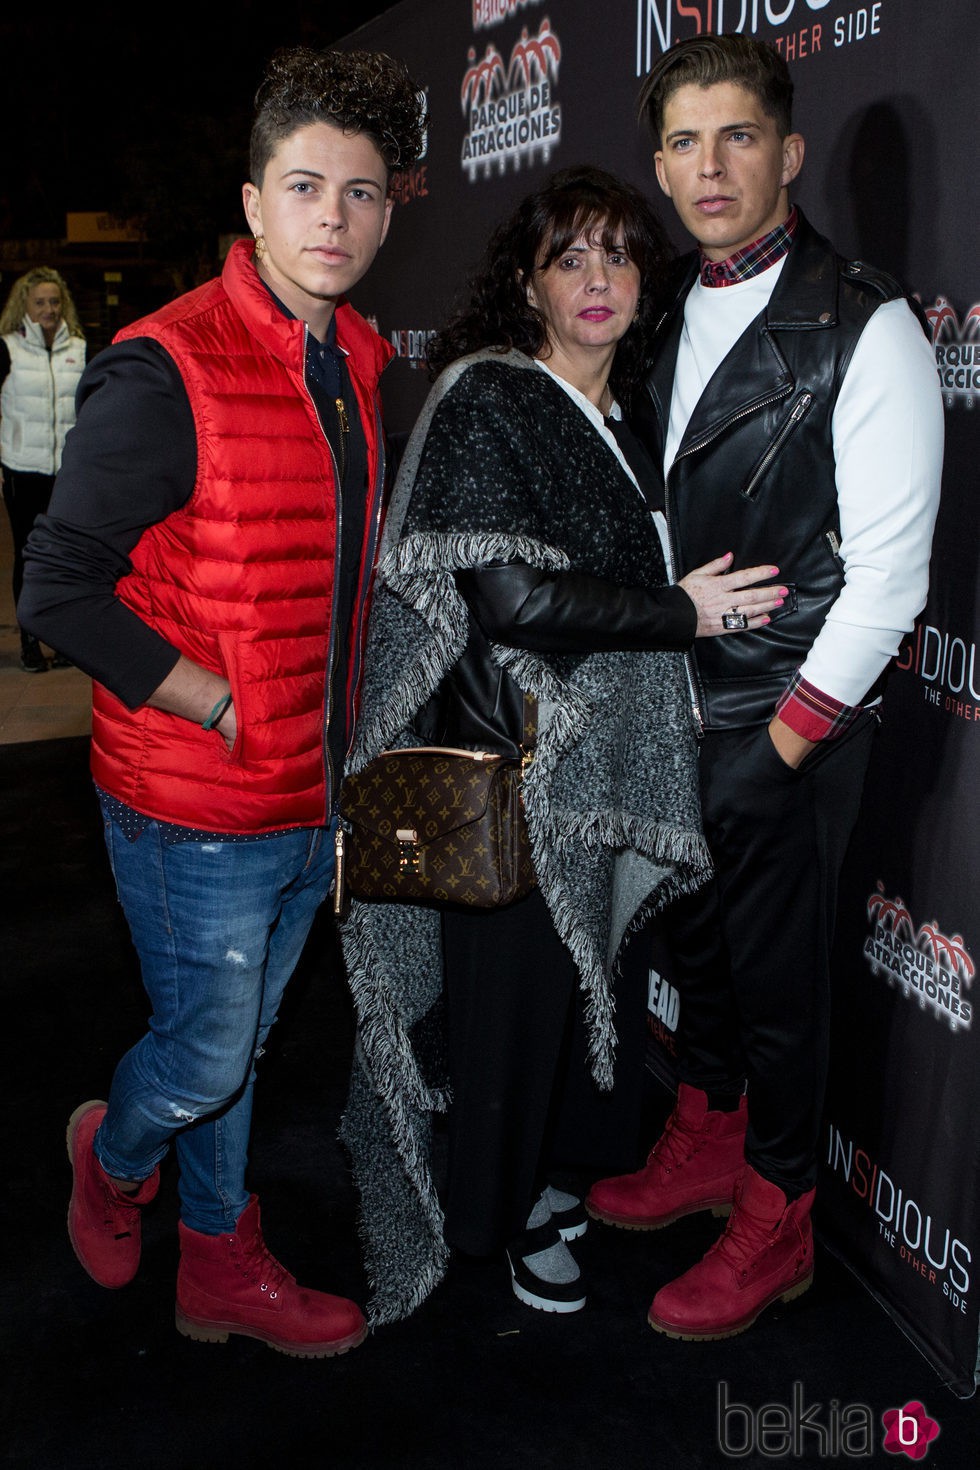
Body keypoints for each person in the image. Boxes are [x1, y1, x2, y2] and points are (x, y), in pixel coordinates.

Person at [18, 45, 426, 1358]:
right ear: (251, 202)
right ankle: (109, 1146)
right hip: (192, 800)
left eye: (362, 194)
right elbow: (58, 587)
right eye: (304, 186)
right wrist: (206, 694)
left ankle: (218, 1264)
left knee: (242, 1050)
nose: (334, 219)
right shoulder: (166, 364)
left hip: (313, 797)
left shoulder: (359, 357)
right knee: (201, 1058)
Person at [336, 164, 785, 1325]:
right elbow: (511, 601)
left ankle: (552, 1178)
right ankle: (501, 1209)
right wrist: (683, 612)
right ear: (527, 281)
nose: (598, 279)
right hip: (520, 780)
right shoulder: (491, 395)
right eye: (569, 257)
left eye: (621, 255)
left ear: (647, 282)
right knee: (518, 1013)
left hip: (610, 777)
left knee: (594, 995)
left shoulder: (632, 421)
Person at [585, 33, 945, 1341]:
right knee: (703, 959)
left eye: (736, 136)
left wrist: (777, 747)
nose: (707, 165)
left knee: (784, 993)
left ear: (788, 152)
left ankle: (778, 1215)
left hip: (786, 727)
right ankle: (706, 1140)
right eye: (682, 141)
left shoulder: (866, 321)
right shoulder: (664, 299)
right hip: (673, 704)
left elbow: (891, 576)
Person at [1, 267, 86, 672]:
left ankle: (65, 638)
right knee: (28, 557)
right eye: (40, 303)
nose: (49, 309)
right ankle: (30, 640)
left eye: (54, 302)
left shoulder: (81, 350)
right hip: (23, 470)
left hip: (67, 474)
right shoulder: (7, 351)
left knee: (65, 559)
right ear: (25, 307)